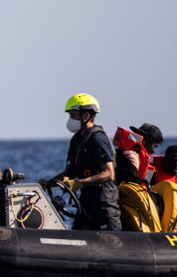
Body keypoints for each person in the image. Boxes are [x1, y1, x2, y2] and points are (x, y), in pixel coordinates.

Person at [44, 93, 120, 231]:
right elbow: (70, 173)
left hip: (103, 202)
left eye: (73, 115)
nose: (70, 119)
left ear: (85, 115)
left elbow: (109, 174)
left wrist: (79, 183)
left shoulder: (97, 139)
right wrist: (47, 183)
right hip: (85, 203)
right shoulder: (77, 140)